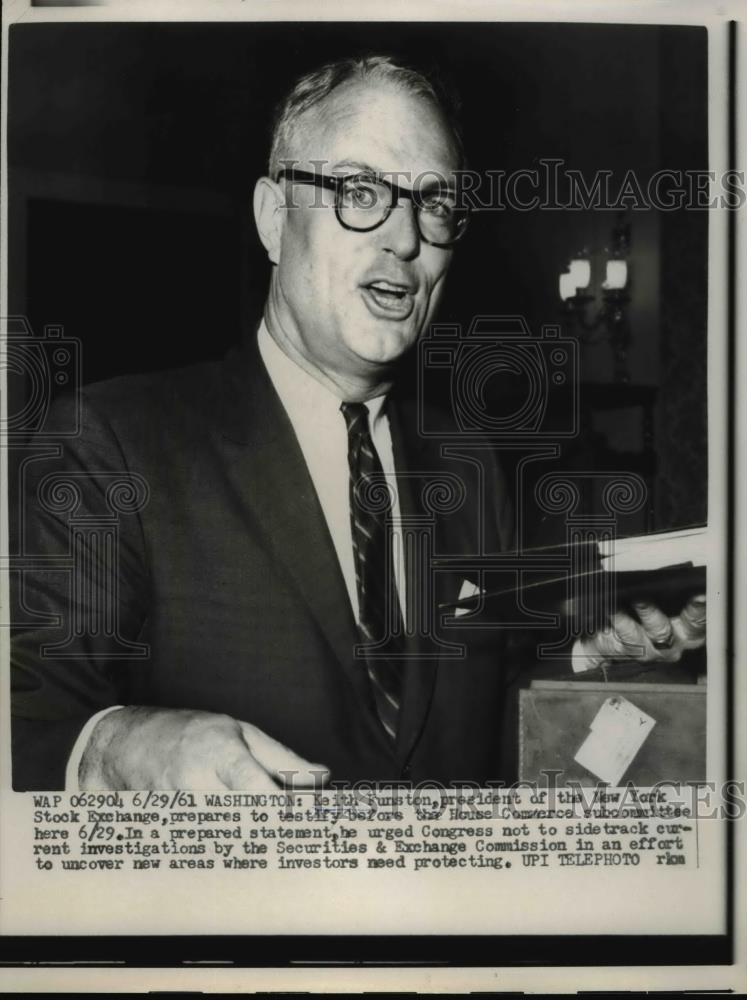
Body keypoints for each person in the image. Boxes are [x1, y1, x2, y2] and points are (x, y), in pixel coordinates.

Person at [10, 55, 706, 792]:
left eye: (434, 202)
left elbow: (478, 722)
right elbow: (25, 722)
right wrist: (113, 745)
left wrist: (594, 659)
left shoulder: (466, 462)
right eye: (360, 190)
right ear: (274, 220)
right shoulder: (106, 442)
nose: (405, 238)